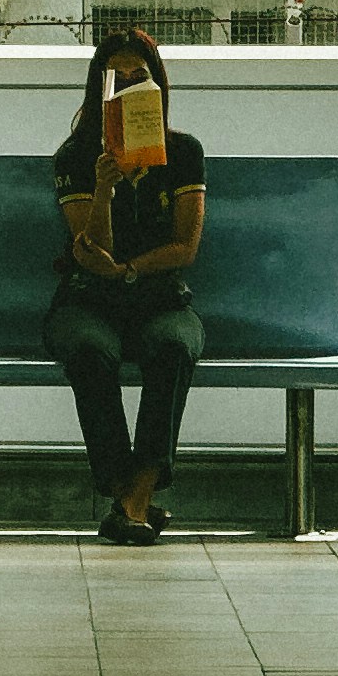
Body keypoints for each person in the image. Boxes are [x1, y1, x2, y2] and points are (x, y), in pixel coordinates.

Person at [48, 30, 207, 546]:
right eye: (116, 80)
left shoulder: (182, 153)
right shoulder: (76, 157)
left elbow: (185, 246)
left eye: (139, 79)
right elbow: (90, 251)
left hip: (159, 295)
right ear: (99, 89)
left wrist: (132, 270)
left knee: (174, 346)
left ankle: (131, 499)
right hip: (88, 298)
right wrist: (103, 189)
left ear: (156, 85)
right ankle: (133, 496)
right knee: (90, 350)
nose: (128, 89)